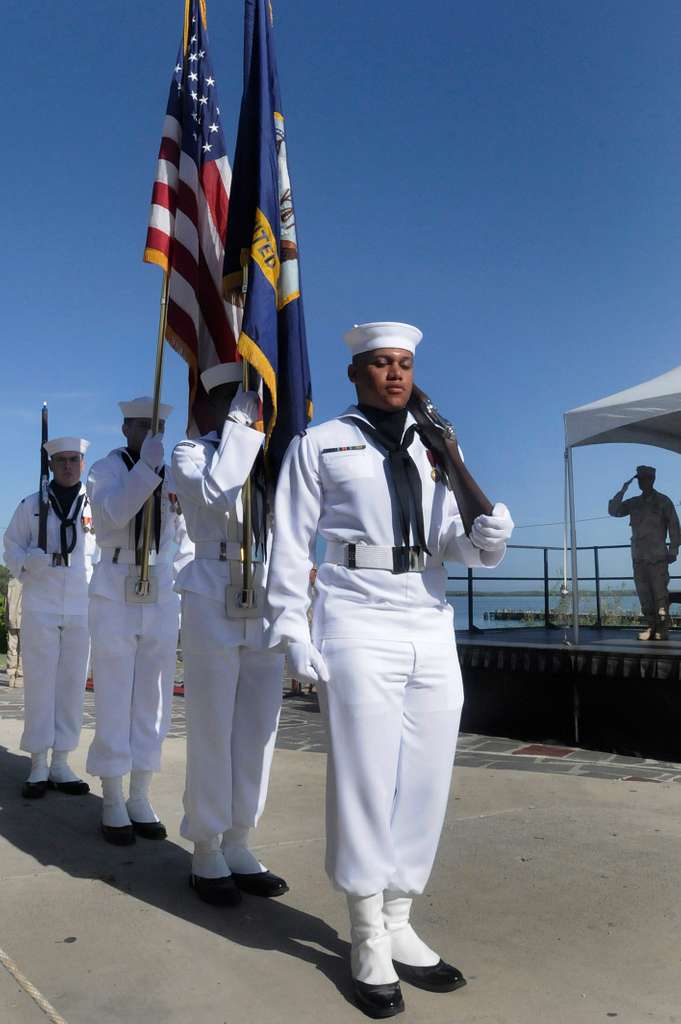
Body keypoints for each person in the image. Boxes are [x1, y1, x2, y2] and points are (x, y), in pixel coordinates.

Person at [265, 322, 514, 1018]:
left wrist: (481, 530)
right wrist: (291, 623)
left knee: (426, 776)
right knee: (366, 777)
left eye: (404, 364)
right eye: (380, 363)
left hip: (427, 616)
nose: (395, 374)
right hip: (356, 615)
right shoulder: (322, 443)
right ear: (355, 373)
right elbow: (289, 538)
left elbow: (457, 546)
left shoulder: (432, 445)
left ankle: (401, 918)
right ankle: (366, 930)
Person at [171, 363, 287, 906]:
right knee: (213, 725)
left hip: (264, 588)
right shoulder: (191, 453)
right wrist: (241, 435)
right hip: (213, 585)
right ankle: (206, 846)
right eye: (239, 400)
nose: (249, 408)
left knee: (258, 727)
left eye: (253, 399)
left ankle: (241, 837)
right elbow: (218, 493)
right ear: (214, 406)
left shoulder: (270, 458)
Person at [86, 397, 181, 845]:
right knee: (114, 693)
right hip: (117, 579)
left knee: (154, 697)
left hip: (160, 583)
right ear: (126, 429)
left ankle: (141, 793)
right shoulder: (107, 469)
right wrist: (147, 471)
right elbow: (113, 515)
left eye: (160, 426)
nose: (153, 434)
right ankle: (111, 796)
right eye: (145, 426)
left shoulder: (173, 469)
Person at [3, 436, 96, 798]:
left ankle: (62, 762)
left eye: (74, 460)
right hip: (41, 602)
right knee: (40, 685)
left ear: (83, 464)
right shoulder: (32, 505)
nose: (68, 466)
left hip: (81, 603)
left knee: (71, 686)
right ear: (51, 465)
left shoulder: (97, 504)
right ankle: (39, 763)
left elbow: (105, 550)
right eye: (61, 461)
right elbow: (11, 544)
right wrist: (29, 562)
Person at [608, 466, 680, 641]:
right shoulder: (634, 503)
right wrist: (622, 491)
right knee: (644, 595)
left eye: (645, 479)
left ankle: (662, 628)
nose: (642, 482)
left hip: (657, 558)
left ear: (652, 480)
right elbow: (614, 511)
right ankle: (650, 625)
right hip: (639, 558)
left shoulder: (664, 502)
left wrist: (674, 549)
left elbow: (674, 527)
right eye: (639, 479)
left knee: (660, 595)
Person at [5, 576, 23, 687]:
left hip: (12, 618)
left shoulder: (11, 582)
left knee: (12, 647)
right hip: (23, 618)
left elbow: (7, 602)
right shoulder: (29, 581)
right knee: (23, 649)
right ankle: (19, 676)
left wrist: (7, 619)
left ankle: (12, 676)